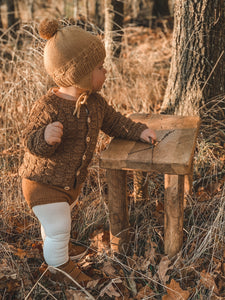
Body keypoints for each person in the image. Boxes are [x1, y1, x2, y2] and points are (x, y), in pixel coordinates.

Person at [19, 18, 156, 285]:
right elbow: (29, 139)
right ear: (80, 73)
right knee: (58, 225)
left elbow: (116, 122)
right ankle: (60, 271)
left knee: (57, 226)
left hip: (68, 184)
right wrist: (45, 138)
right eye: (99, 67)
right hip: (42, 182)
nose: (105, 72)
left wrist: (138, 131)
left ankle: (57, 249)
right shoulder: (49, 106)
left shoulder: (95, 103)